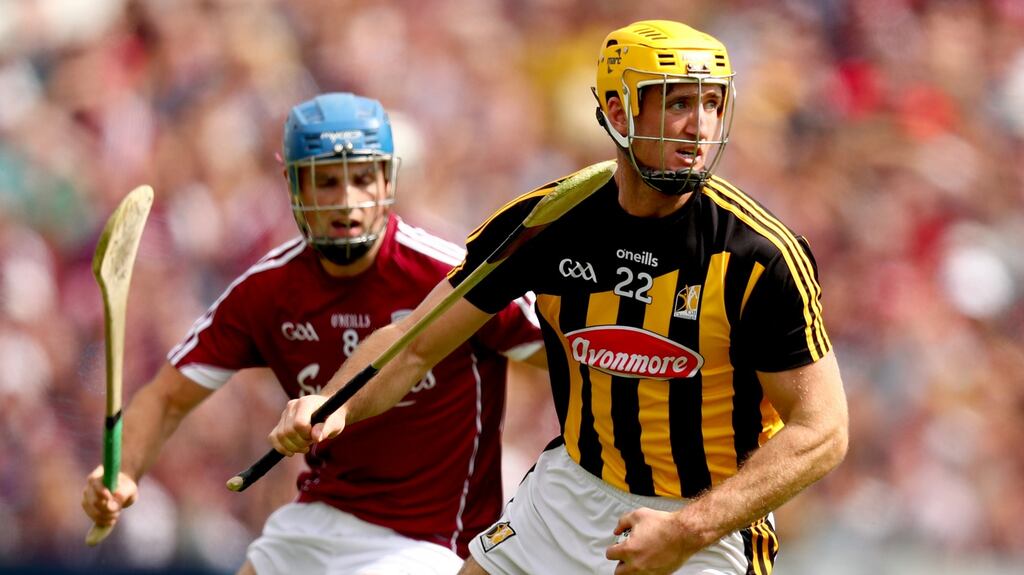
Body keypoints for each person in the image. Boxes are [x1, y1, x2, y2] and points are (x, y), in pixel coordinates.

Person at [271, 20, 849, 575]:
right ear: (620, 110)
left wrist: (687, 531)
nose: (699, 126)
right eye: (677, 103)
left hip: (705, 518)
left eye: (712, 104)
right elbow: (415, 343)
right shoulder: (547, 222)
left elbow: (822, 430)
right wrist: (336, 403)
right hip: (573, 488)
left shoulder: (759, 256)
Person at [81, 92, 546, 575]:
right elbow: (165, 398)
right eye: (326, 182)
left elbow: (570, 355)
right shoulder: (267, 291)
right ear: (294, 185)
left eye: (363, 178)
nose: (347, 202)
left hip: (432, 540)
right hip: (319, 516)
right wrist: (122, 471)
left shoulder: (454, 275)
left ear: (388, 177)